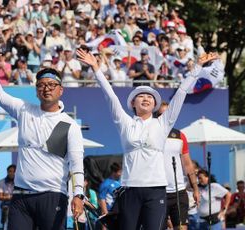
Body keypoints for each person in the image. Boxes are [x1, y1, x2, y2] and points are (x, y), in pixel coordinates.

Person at [76, 48, 217, 230]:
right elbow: (110, 96)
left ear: (154, 104)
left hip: (156, 190)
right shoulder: (125, 122)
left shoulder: (163, 123)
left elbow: (181, 92)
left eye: (149, 96)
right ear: (133, 103)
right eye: (140, 96)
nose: (145, 98)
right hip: (130, 189)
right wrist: (96, 68)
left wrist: (197, 67)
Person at [0, 39, 84, 230]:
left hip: (53, 195)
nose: (46, 88)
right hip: (21, 198)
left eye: (51, 85)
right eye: (41, 85)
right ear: (36, 91)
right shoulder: (24, 110)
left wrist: (78, 195)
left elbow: (77, 163)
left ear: (60, 90)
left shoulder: (69, 125)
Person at [156, 101, 200, 230]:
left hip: (179, 193)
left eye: (169, 114)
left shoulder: (180, 136)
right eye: (161, 115)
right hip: (157, 192)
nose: (166, 118)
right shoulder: (149, 134)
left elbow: (187, 164)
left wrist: (195, 189)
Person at [0, 164, 16, 230]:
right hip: (6, 206)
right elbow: (0, 197)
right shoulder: (2, 182)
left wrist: (7, 196)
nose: (12, 173)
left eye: (14, 171)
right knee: (6, 224)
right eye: (10, 171)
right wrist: (11, 197)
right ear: (7, 172)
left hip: (17, 206)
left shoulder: (19, 182)